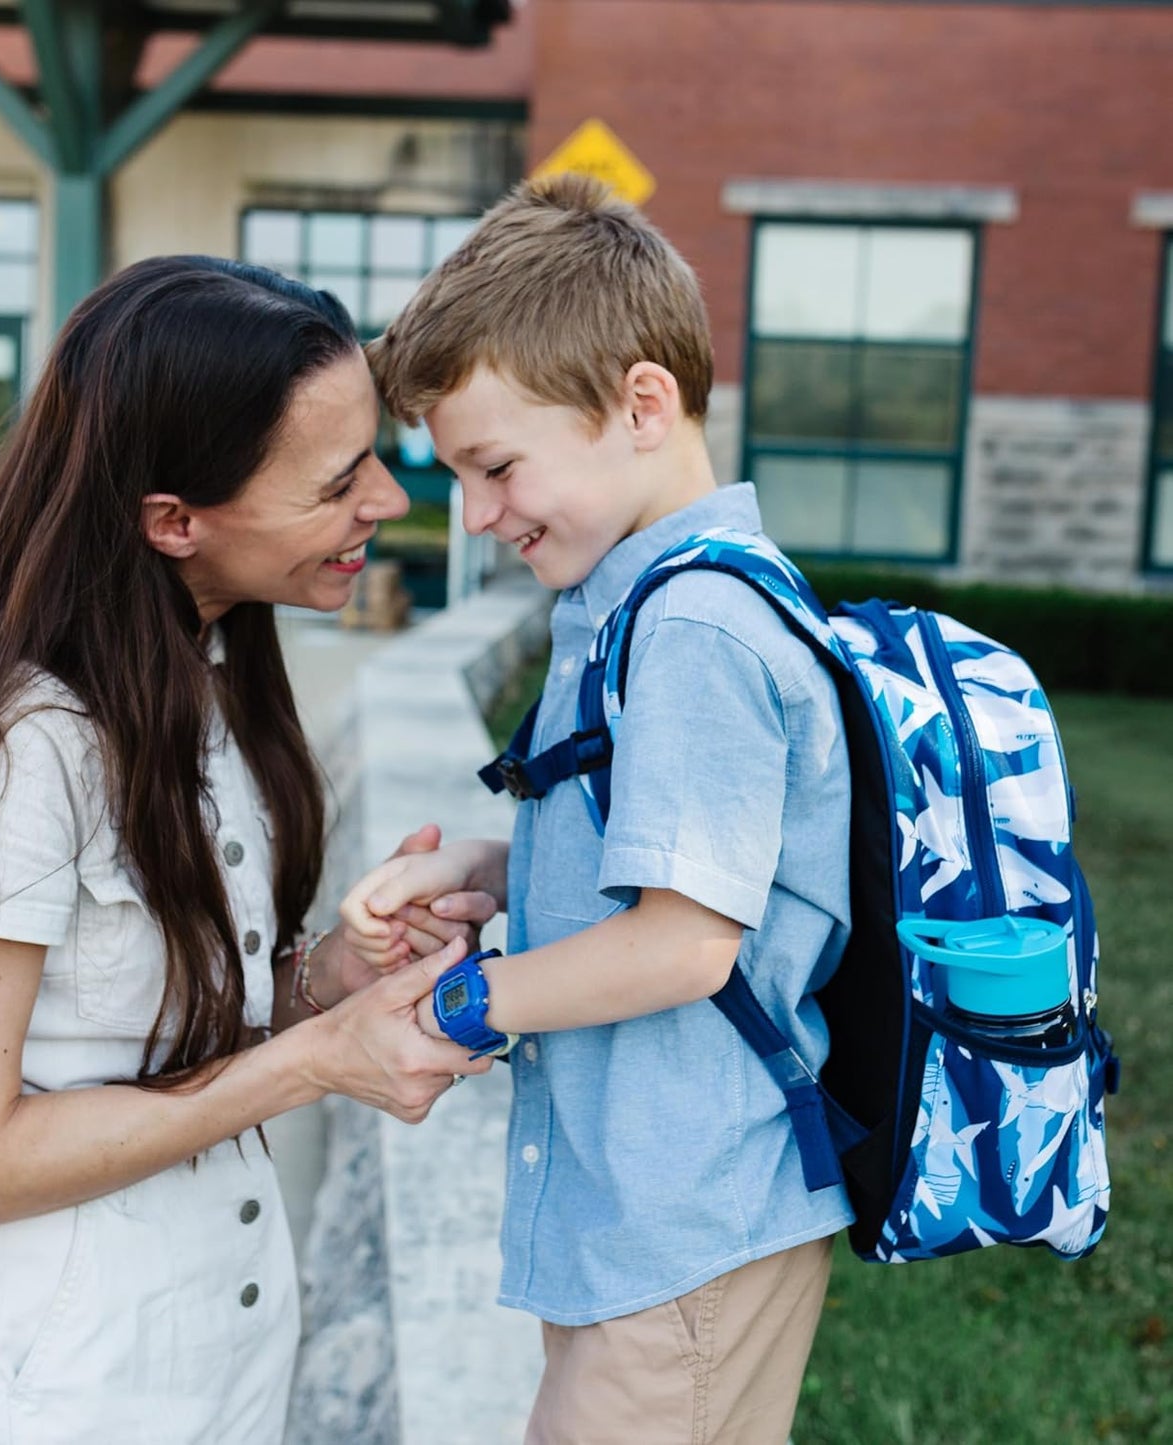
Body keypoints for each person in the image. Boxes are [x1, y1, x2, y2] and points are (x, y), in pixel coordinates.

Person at [0, 255, 494, 1445]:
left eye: (375, 453)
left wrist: (327, 983)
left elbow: (136, 1031)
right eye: (335, 480)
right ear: (173, 521)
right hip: (63, 1398)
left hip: (217, 1368)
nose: (384, 498)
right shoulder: (3, 746)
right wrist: (314, 1061)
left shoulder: (203, 682)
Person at [341, 176, 855, 1445]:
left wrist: (464, 1001)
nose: (473, 512)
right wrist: (494, 863)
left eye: (495, 464)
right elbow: (680, 860)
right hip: (647, 1221)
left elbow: (685, 940)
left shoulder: (690, 626)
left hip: (687, 1228)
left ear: (639, 404)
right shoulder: (641, 602)